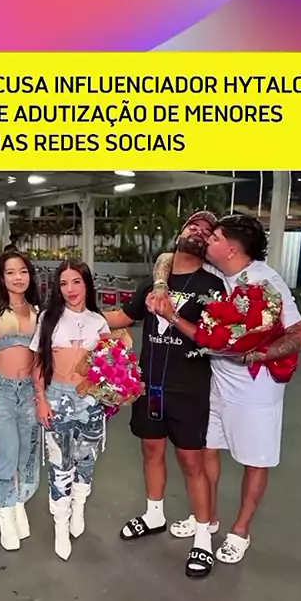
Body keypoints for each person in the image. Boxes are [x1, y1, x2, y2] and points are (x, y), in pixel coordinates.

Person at [169, 214, 301, 564]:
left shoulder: (266, 281)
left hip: (256, 389)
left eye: (215, 237)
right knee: (207, 448)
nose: (208, 241)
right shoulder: (215, 272)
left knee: (254, 460)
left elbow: (300, 336)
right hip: (216, 380)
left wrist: (261, 353)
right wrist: (159, 286)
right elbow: (166, 259)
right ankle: (209, 516)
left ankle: (241, 530)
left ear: (231, 249)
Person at [104, 211, 226, 578]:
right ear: (180, 233)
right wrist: (72, 313)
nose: (198, 232)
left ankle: (203, 539)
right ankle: (154, 514)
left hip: (188, 389)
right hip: (149, 385)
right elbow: (122, 317)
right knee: (151, 451)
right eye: (193, 226)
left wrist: (173, 315)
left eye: (206, 231)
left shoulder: (213, 287)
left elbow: (212, 339)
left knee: (192, 463)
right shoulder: (154, 280)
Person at [30, 260, 110, 561]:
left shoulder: (98, 321)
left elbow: (109, 364)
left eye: (76, 281)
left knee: (85, 460)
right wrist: (41, 400)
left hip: (90, 402)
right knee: (59, 463)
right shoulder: (48, 319)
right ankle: (60, 524)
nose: (70, 289)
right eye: (63, 283)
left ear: (87, 284)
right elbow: (38, 364)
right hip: (57, 400)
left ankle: (79, 509)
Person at [0, 249, 41, 551]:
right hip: (0, 389)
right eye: (11, 272)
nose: (18, 277)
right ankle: (4, 511)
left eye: (23, 271)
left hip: (29, 391)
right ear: (1, 277)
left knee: (28, 453)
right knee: (7, 452)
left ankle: (19, 503)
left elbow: (42, 356)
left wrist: (41, 394)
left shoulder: (38, 310)